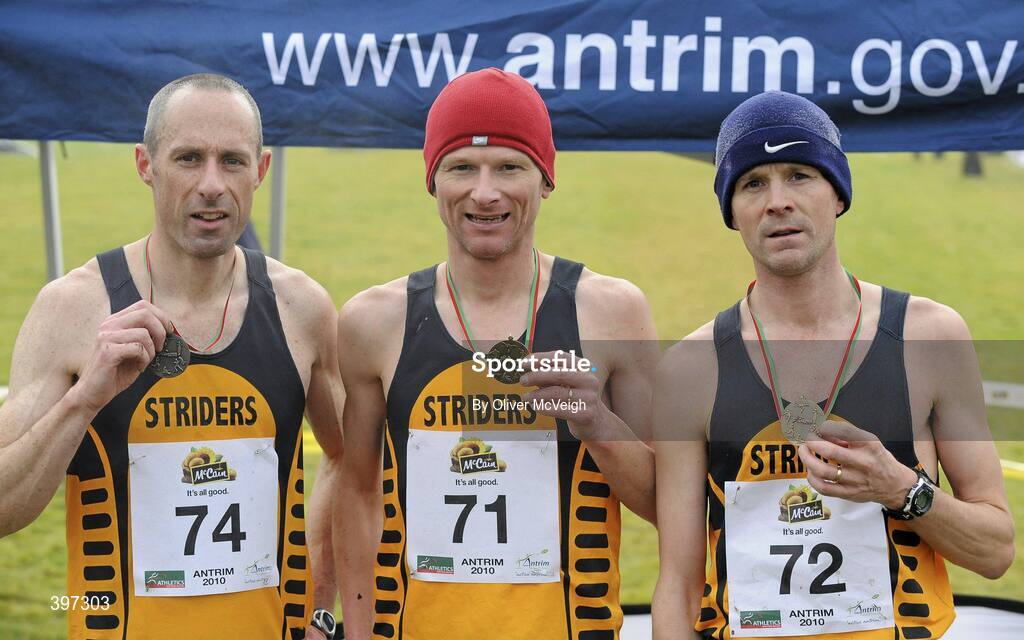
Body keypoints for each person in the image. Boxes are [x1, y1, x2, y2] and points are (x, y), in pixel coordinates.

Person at [652, 91, 1015, 639]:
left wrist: (901, 489)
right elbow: (678, 587)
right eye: (753, 183)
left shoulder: (930, 338)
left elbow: (995, 551)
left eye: (800, 174)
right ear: (732, 211)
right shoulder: (689, 369)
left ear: (838, 194)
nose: (777, 201)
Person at [0, 74, 344, 640]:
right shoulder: (73, 308)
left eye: (232, 161)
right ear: (145, 164)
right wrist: (84, 399)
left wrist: (318, 607)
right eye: (188, 158)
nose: (211, 184)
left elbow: (348, 460)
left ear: (260, 171)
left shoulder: (300, 307)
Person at [336, 67, 659, 640]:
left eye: (509, 167)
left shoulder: (611, 312)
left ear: (546, 179)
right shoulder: (373, 321)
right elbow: (359, 492)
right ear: (433, 180)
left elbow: (665, 502)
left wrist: (598, 423)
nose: (485, 193)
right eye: (462, 167)